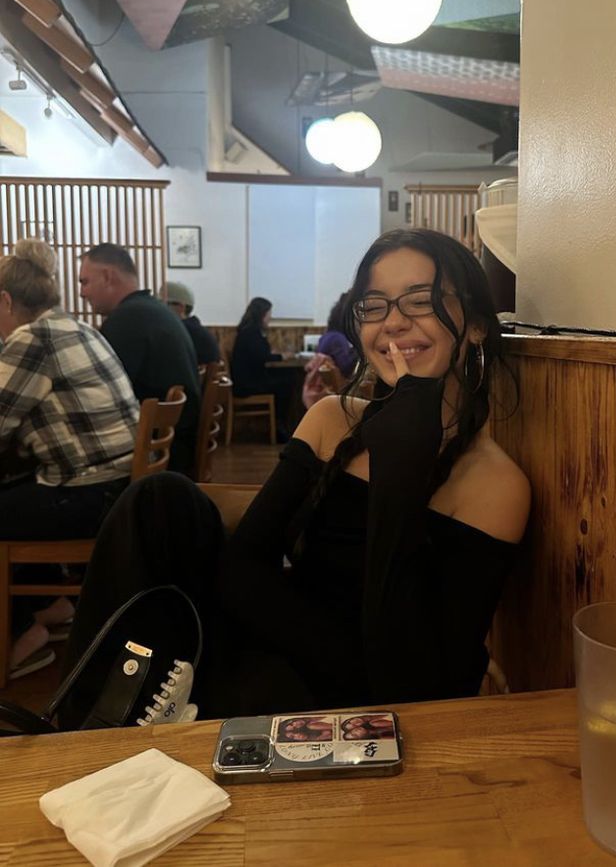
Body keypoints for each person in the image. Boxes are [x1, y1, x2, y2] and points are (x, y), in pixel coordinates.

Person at [59, 228, 530, 727]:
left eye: (421, 300)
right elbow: (244, 567)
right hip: (273, 632)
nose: (393, 322)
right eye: (374, 305)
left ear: (476, 325)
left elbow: (415, 681)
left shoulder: (495, 486)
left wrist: (403, 464)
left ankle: (170, 693)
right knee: (158, 498)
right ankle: (81, 723)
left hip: (358, 695)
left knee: (264, 688)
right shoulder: (332, 419)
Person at [0, 239, 139, 678]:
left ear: (5, 301)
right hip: (117, 489)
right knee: (16, 495)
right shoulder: (77, 327)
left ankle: (25, 633)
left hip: (88, 496)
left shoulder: (31, 337)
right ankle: (53, 607)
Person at [79, 243, 200, 475]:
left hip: (159, 460)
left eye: (85, 282)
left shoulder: (127, 320)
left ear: (107, 276)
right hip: (179, 448)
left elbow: (97, 398)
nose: (81, 292)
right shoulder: (152, 310)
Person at [230, 296, 293, 437]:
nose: (270, 317)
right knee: (287, 383)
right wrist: (282, 356)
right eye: (269, 313)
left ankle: (280, 425)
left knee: (286, 378)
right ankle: (279, 427)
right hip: (247, 385)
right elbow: (261, 357)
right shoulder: (251, 332)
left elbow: (259, 354)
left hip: (247, 380)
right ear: (262, 314)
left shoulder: (248, 331)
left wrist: (273, 354)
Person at [302, 293, 358, 408]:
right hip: (331, 395)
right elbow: (345, 367)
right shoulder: (337, 339)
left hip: (321, 392)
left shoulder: (327, 335)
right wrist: (359, 350)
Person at [160, 280, 220, 366]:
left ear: (181, 307)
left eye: (162, 303)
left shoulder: (180, 332)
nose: (158, 308)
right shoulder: (195, 329)